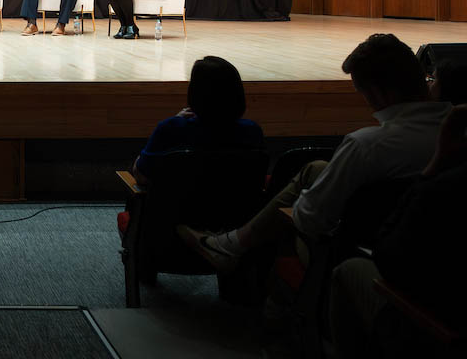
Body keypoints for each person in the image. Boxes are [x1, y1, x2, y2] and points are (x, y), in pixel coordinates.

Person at [178, 34, 451, 273]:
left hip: (364, 255)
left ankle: (272, 307)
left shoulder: (366, 146)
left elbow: (309, 220)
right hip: (442, 246)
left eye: (362, 92)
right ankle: (232, 245)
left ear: (378, 93)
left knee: (290, 217)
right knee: (316, 169)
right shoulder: (455, 133)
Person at [328, 104, 467, 358]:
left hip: (438, 332)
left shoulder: (445, 188)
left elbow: (386, 257)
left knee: (348, 270)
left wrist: (434, 166)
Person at [131, 56, 264, 184]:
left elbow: (142, 176)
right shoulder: (252, 131)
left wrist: (176, 120)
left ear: (194, 93)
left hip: (177, 206)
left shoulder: (171, 129)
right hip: (236, 206)